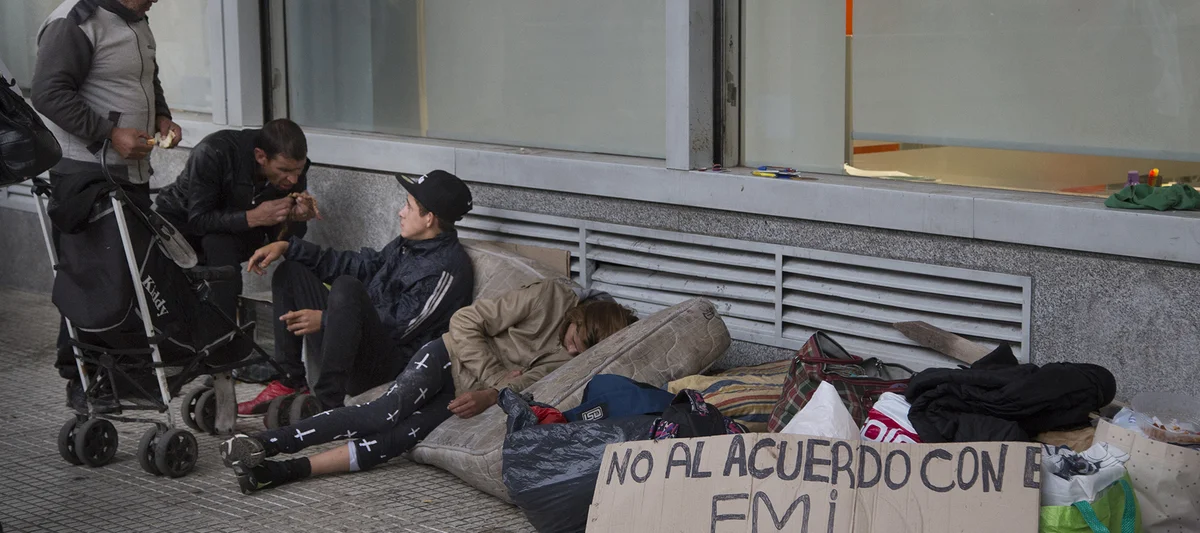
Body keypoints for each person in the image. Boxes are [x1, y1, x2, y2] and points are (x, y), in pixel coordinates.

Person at [218, 278, 638, 493]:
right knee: (382, 413)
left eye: (581, 351)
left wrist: (491, 395)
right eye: (576, 338)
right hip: (446, 356)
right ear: (580, 318)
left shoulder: (569, 359)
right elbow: (466, 321)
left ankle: (278, 473)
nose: (571, 349)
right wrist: (495, 378)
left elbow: (526, 385)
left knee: (392, 441)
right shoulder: (548, 297)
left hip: (464, 393)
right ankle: (264, 444)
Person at [32, 0, 182, 410]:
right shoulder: (75, 21)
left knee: (127, 279)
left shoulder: (136, 19)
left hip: (129, 171)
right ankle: (80, 378)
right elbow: (48, 94)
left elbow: (144, 78)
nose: (157, 0)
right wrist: (109, 134)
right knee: (91, 280)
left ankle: (122, 376)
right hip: (85, 175)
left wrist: (162, 117)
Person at [236, 170, 475, 414]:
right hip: (349, 338)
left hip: (383, 367)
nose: (400, 212)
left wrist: (327, 320)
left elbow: (400, 326)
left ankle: (327, 404)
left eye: (408, 207)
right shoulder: (409, 244)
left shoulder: (447, 269)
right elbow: (362, 266)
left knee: (346, 287)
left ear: (429, 219)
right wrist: (289, 247)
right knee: (291, 272)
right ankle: (290, 381)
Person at [153, 119, 316, 320]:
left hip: (233, 230)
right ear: (260, 156)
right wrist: (253, 217)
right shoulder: (213, 152)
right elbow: (198, 219)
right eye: (284, 170)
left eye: (298, 170)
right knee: (218, 245)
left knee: (221, 245)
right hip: (181, 225)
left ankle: (227, 326)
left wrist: (295, 218)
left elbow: (283, 239)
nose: (293, 179)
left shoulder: (292, 170)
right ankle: (222, 327)